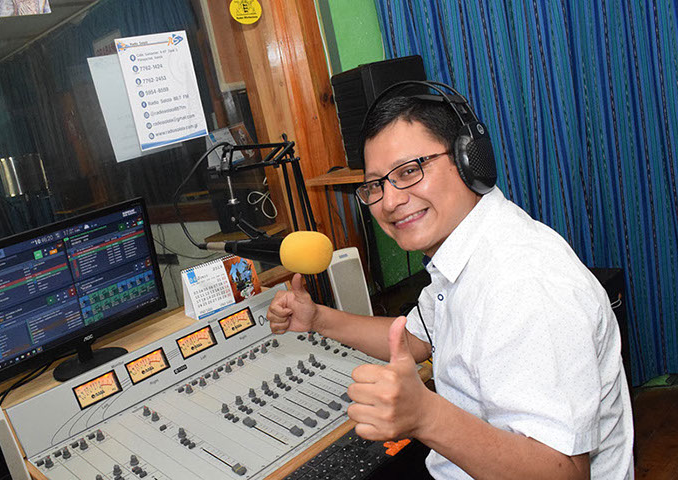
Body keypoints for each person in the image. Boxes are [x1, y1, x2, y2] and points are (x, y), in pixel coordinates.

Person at [267, 89, 633, 479]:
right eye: (376, 185)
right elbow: (414, 339)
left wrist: (425, 415)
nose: (389, 202)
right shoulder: (466, 254)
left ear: (469, 161)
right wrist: (318, 319)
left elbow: (563, 473)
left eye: (409, 171)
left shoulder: (524, 283)